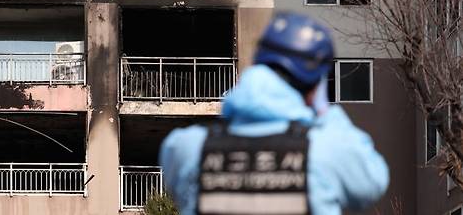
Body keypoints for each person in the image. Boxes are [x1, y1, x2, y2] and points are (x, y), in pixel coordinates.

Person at [159, 12, 389, 215]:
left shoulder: (185, 147)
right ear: (314, 85)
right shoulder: (327, 148)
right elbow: (371, 185)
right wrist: (326, 112)